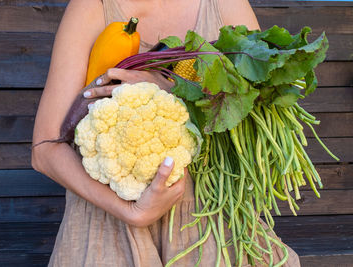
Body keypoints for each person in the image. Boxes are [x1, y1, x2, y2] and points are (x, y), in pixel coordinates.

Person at [32, 0, 300, 266]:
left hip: (209, 215)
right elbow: (44, 150)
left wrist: (169, 87)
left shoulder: (225, 5)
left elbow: (260, 117)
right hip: (108, 221)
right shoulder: (92, 6)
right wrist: (133, 213)